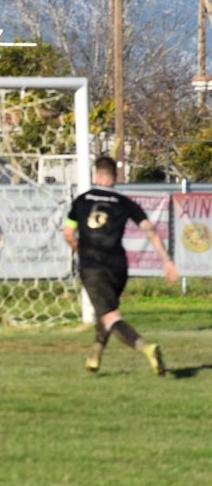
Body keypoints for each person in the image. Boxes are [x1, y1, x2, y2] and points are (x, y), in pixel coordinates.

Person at [63, 156, 178, 375]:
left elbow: (68, 233)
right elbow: (149, 229)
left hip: (92, 265)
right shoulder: (126, 203)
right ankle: (95, 355)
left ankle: (146, 348)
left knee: (110, 316)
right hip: (118, 266)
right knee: (107, 310)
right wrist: (166, 260)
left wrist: (80, 249)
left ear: (96, 175)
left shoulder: (82, 200)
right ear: (115, 177)